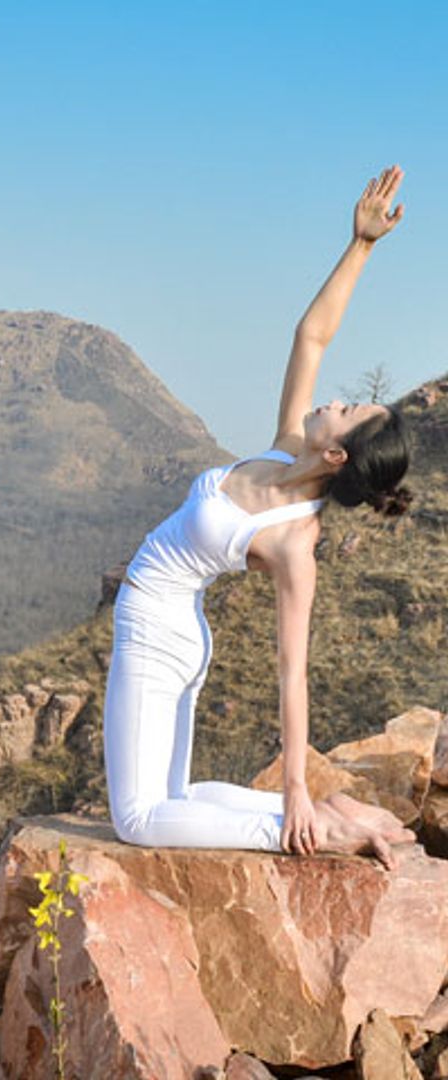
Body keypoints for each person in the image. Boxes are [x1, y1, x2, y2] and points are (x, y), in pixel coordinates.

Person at [104, 165, 415, 869]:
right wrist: (361, 246)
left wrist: (298, 790)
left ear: (338, 455)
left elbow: (290, 673)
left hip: (159, 633)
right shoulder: (282, 450)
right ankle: (322, 814)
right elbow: (311, 337)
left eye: (344, 412)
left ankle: (308, 827)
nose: (331, 401)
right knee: (171, 797)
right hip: (170, 628)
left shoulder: (293, 542)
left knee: (139, 820)